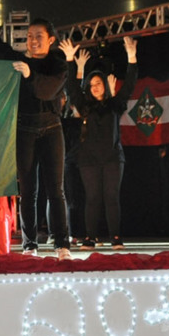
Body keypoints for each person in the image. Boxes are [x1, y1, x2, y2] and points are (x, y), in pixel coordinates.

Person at [0, 0, 73, 260]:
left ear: (51, 39)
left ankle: (61, 244)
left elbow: (47, 90)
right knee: (27, 191)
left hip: (52, 129)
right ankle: (30, 244)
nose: (32, 41)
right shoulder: (20, 61)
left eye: (38, 36)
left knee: (56, 190)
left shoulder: (57, 63)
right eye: (29, 37)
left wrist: (30, 76)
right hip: (24, 130)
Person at [67, 38, 138, 250]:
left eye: (98, 83)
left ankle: (115, 237)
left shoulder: (115, 104)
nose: (95, 87)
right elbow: (71, 88)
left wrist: (132, 58)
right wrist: (71, 61)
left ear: (105, 86)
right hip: (88, 159)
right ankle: (90, 238)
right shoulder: (84, 106)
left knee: (111, 197)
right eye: (91, 85)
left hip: (112, 158)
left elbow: (131, 85)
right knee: (92, 198)